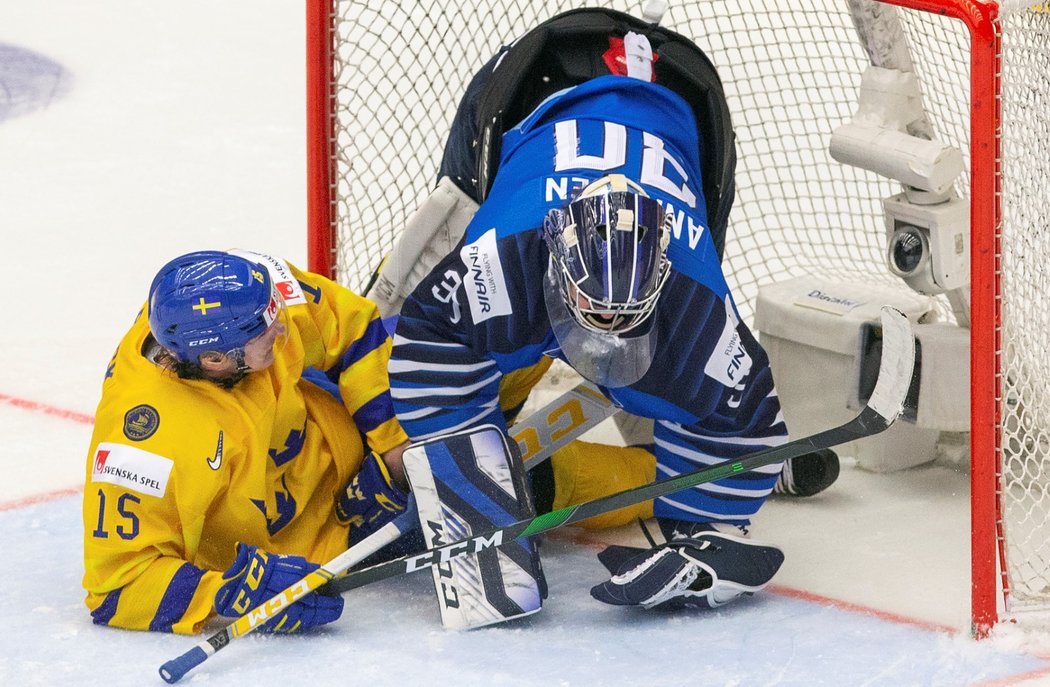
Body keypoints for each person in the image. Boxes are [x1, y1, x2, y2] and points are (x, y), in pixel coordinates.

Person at [370, 8, 837, 612]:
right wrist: (461, 468)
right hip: (526, 93)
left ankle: (703, 455)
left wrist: (707, 534)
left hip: (680, 102)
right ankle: (453, 432)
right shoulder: (499, 264)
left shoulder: (696, 306)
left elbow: (741, 415)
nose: (607, 336)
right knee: (403, 345)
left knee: (690, 381)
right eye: (593, 311)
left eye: (626, 318)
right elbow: (428, 336)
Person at [82, 249, 409, 634]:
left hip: (352, 446)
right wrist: (231, 592)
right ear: (216, 360)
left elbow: (352, 328)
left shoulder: (248, 299)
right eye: (266, 335)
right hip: (317, 544)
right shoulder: (143, 445)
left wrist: (393, 446)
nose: (282, 329)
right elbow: (117, 586)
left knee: (452, 341)